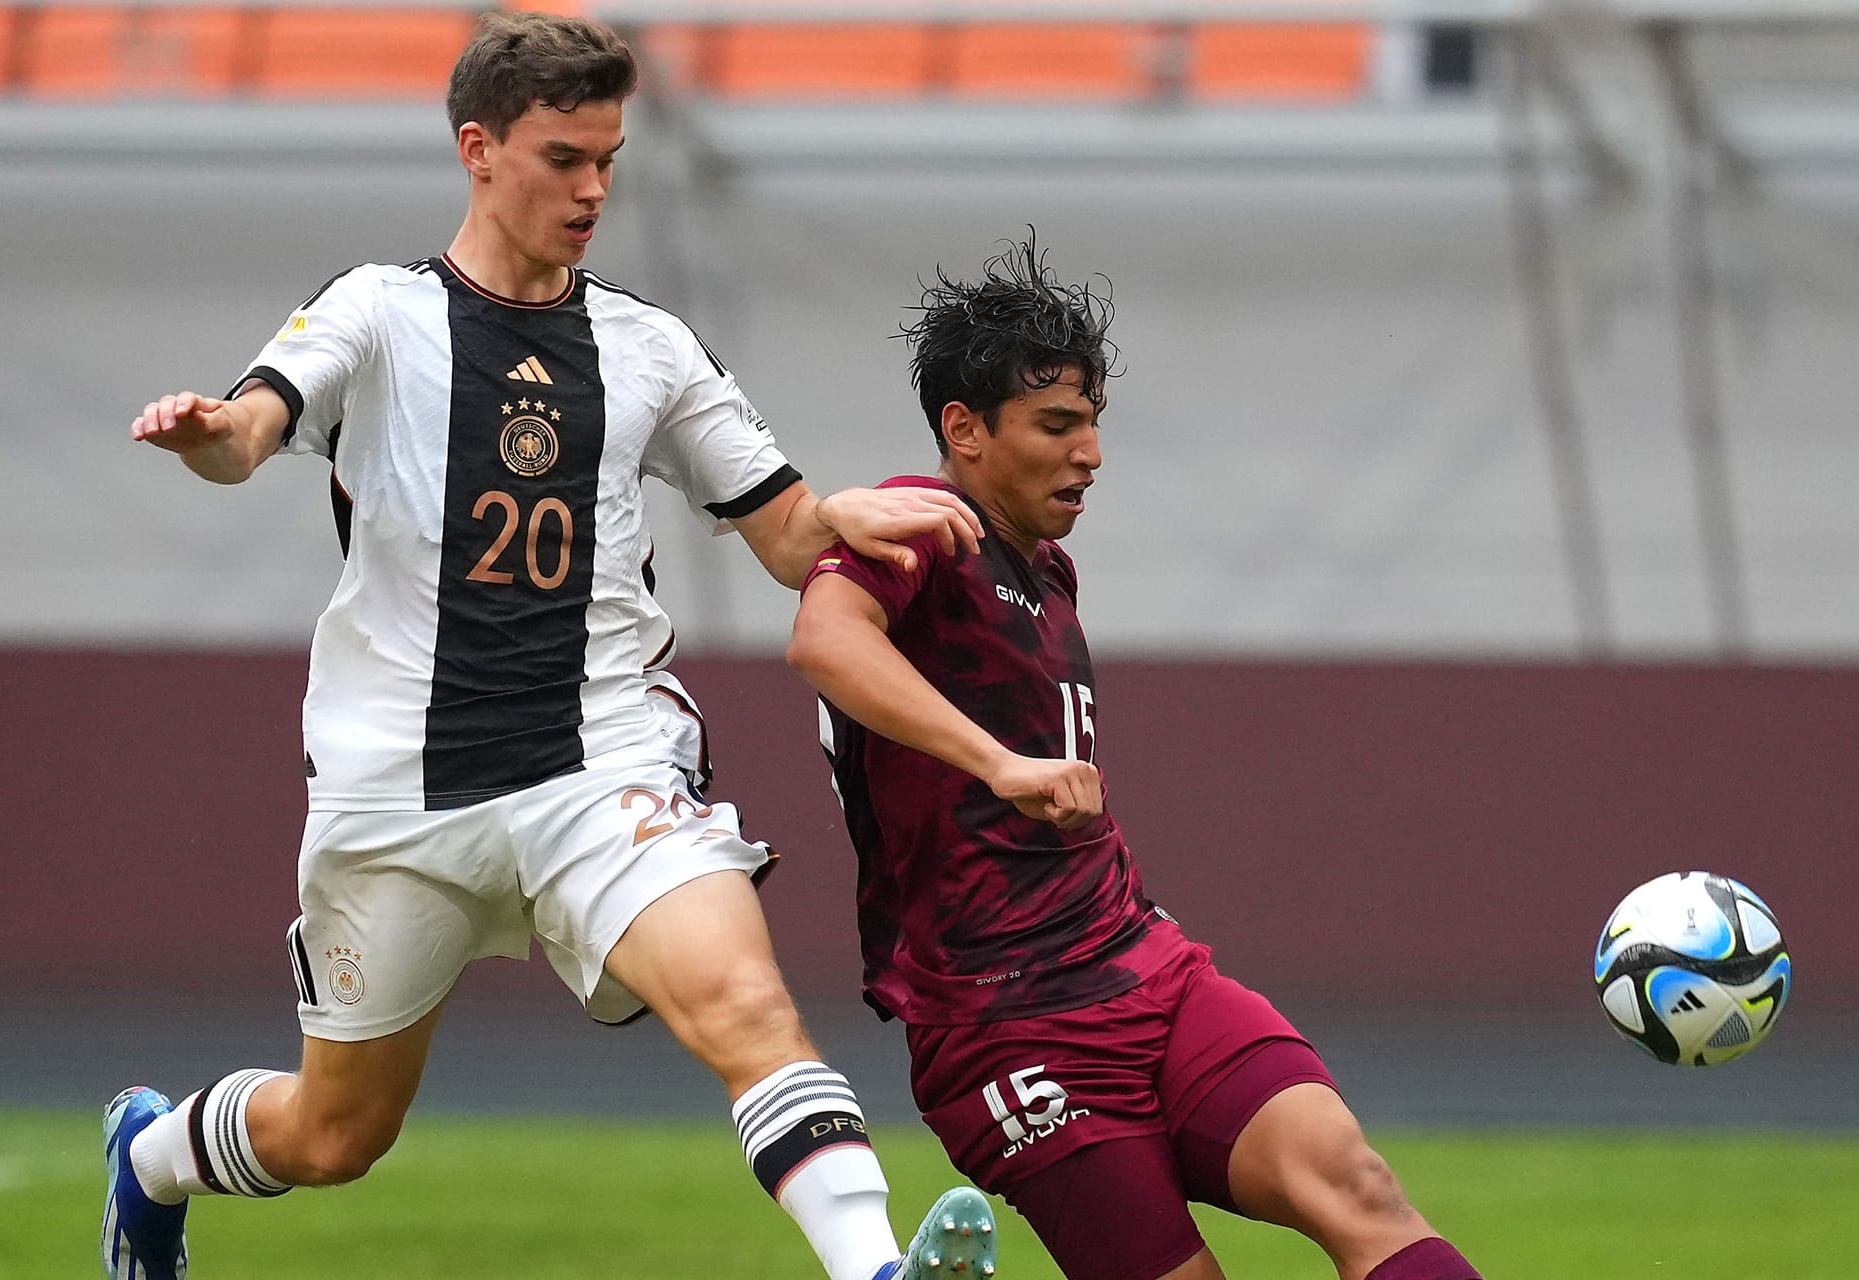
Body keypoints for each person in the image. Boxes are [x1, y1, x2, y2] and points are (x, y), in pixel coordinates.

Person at [103, 13, 998, 1280]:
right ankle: (149, 1156)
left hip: (598, 766)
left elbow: (790, 534)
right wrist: (203, 427)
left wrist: (840, 512)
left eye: (609, 160)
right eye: (563, 157)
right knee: (335, 1131)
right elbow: (250, 432)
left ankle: (874, 1267)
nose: (593, 190)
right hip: (397, 791)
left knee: (745, 1002)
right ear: (479, 148)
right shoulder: (377, 312)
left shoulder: (648, 346)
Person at [787, 237, 1486, 1280]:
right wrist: (998, 762)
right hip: (1002, 1024)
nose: (1092, 453)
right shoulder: (920, 523)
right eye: (1058, 425)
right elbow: (824, 641)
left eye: (1094, 423)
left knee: (1358, 1185)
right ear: (964, 430)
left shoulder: (1051, 571)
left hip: (1147, 971)